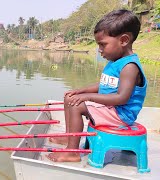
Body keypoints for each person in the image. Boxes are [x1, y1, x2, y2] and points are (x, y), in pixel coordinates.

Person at [46, 9, 148, 162]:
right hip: (111, 109)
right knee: (70, 97)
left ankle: (72, 152)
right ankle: (70, 138)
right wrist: (81, 91)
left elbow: (121, 98)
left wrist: (87, 97)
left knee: (76, 105)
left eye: (103, 44)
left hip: (120, 114)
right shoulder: (115, 62)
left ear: (124, 40)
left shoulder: (129, 67)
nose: (99, 50)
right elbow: (104, 86)